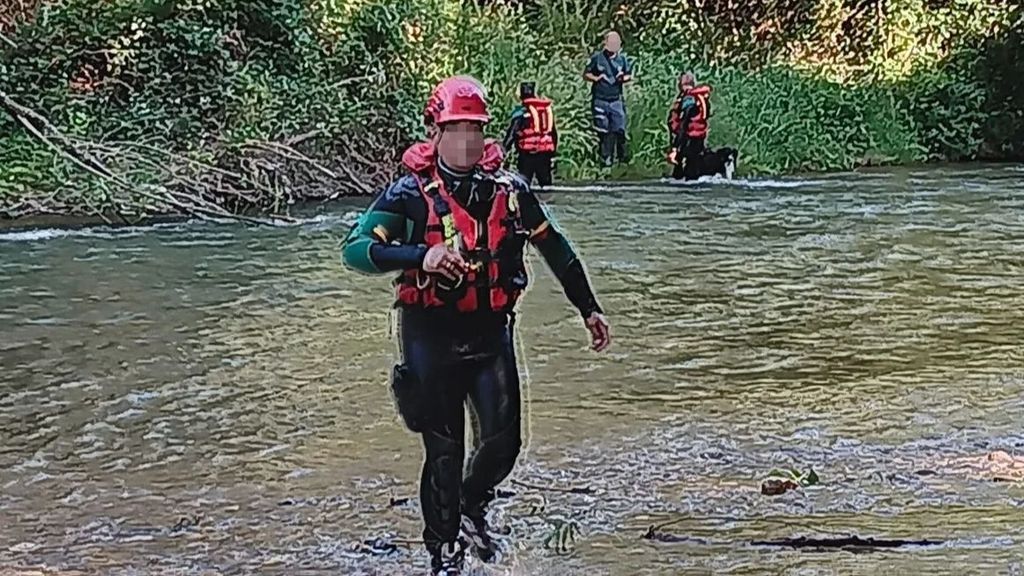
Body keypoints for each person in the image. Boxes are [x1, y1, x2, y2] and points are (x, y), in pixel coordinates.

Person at [340, 75, 611, 576]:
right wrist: (423, 255)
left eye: (475, 130)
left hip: (490, 334)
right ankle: (443, 552)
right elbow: (356, 250)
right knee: (444, 450)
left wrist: (588, 307)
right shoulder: (408, 195)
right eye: (455, 129)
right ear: (435, 133)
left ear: (487, 135)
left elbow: (557, 249)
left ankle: (471, 505)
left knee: (502, 447)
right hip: (430, 335)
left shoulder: (511, 192)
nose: (466, 141)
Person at [583, 31, 633, 167]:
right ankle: (606, 160)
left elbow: (629, 75)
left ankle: (623, 159)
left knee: (619, 129)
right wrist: (596, 78)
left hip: (616, 99)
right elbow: (586, 74)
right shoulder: (597, 58)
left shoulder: (622, 59)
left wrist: (623, 78)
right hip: (600, 99)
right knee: (603, 131)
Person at [502, 81, 558, 188]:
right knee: (546, 186)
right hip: (544, 155)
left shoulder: (520, 113)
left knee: (523, 185)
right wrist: (552, 153)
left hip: (527, 155)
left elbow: (511, 135)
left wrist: (503, 152)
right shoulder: (544, 111)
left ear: (521, 96)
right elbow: (553, 134)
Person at [667, 72, 712, 180]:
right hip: (699, 136)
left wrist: (675, 146)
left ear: (680, 84)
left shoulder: (688, 98)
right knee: (693, 164)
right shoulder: (700, 97)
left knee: (684, 171)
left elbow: (684, 121)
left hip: (688, 137)